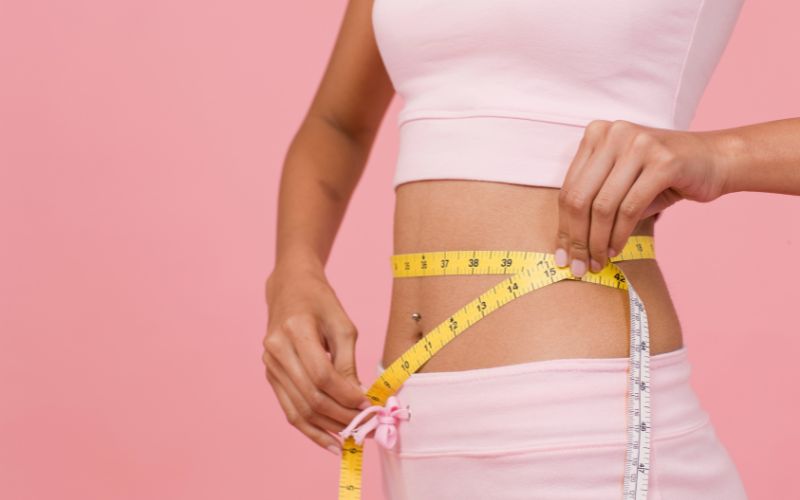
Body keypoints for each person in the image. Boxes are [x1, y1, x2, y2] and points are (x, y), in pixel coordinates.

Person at [264, 1, 799, 498]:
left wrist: (722, 156)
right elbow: (336, 124)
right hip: (409, 437)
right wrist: (293, 271)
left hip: (583, 436)